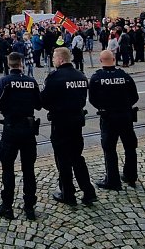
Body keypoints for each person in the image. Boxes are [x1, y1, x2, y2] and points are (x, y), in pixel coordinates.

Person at [41, 47, 97, 207]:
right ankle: (88, 191)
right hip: (77, 121)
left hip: (60, 122)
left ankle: (68, 193)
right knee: (77, 157)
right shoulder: (81, 75)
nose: (52, 60)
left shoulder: (54, 77)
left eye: (53, 57)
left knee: (63, 159)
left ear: (61, 59)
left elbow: (43, 100)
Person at [0, 52, 42, 221]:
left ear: (8, 64)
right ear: (21, 64)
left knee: (8, 169)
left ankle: (7, 207)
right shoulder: (31, 81)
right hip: (28, 130)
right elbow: (39, 104)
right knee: (29, 169)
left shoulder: (4, 81)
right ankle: (29, 207)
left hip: (11, 129)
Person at [88, 50, 139, 191]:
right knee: (130, 146)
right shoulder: (125, 76)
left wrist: (103, 106)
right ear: (114, 59)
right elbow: (135, 97)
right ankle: (131, 175)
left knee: (109, 149)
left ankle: (113, 180)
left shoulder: (97, 78)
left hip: (108, 117)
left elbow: (92, 99)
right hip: (126, 116)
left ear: (100, 61)